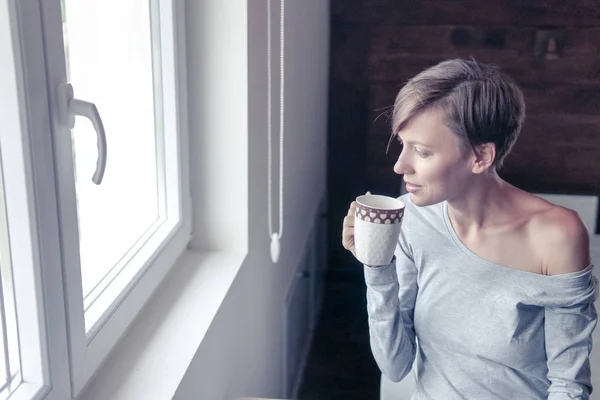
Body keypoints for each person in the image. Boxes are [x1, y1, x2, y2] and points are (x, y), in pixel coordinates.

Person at [341, 58, 598, 399]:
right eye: (402, 144)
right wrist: (377, 266)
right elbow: (395, 365)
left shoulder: (557, 235)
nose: (400, 165)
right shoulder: (413, 224)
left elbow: (569, 383)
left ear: (481, 157)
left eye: (422, 151)